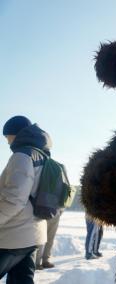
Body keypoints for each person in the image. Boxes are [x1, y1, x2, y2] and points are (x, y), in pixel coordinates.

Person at [0, 116, 51, 283]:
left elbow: (14, 199)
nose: (7, 141)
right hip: (33, 234)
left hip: (13, 236)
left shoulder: (21, 156)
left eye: (7, 136)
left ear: (16, 134)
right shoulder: (42, 155)